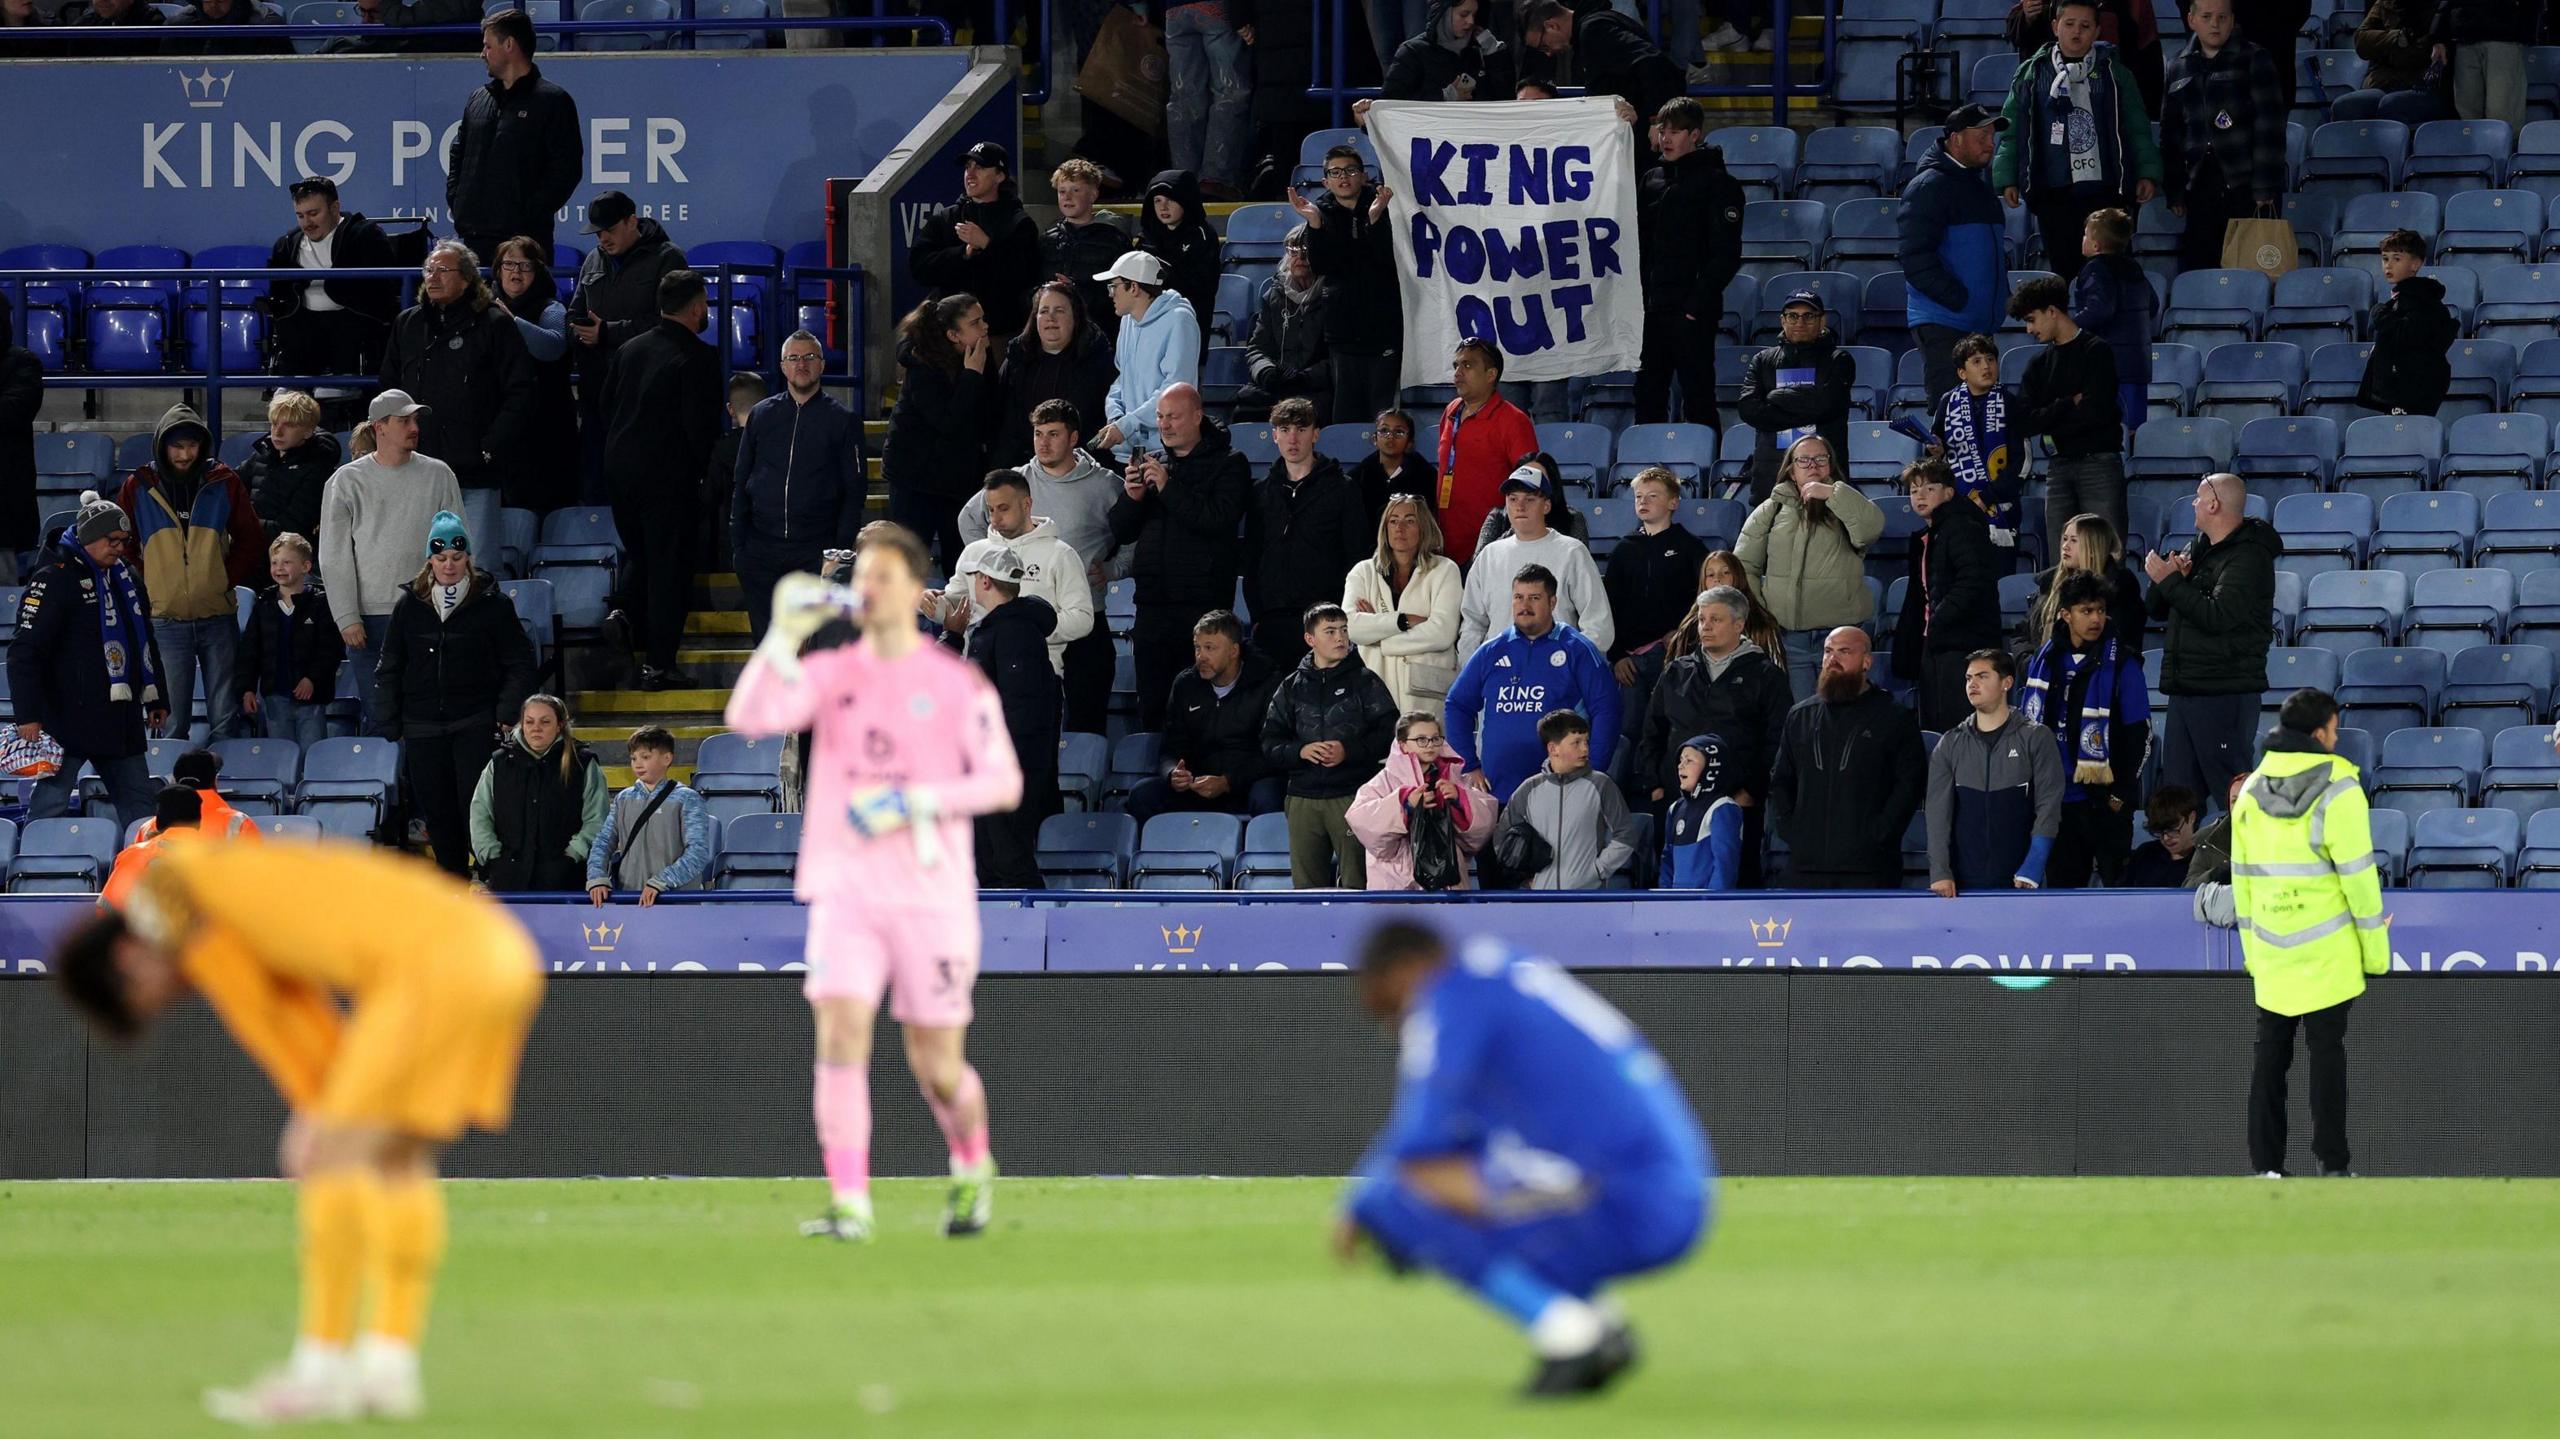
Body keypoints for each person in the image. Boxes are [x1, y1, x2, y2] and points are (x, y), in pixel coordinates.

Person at [49, 843, 543, 1424]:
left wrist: (319, 1120)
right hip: (497, 951)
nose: (167, 1004)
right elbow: (303, 1011)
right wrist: (331, 1107)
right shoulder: (217, 879)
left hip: (431, 968)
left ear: (129, 958)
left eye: (144, 1002)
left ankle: (321, 1371)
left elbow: (276, 1029)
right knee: (397, 1160)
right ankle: (389, 1368)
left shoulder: (180, 903)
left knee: (326, 1157)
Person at [723, 524, 1022, 1242]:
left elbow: (1003, 780)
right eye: (863, 578)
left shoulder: (956, 680)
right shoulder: (834, 671)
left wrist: (919, 801)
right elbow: (749, 716)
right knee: (841, 1033)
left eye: (884, 577)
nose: (869, 589)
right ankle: (851, 1201)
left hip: (930, 894)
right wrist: (780, 637)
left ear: (917, 592)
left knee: (937, 1066)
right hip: (844, 888)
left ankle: (972, 1161)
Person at [1335, 919, 1709, 1396]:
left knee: (1397, 1197)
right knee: (1446, 1180)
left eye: (1389, 1012)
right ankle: (1598, 1322)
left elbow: (1419, 1140)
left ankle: (1572, 1336)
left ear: (1404, 972)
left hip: (1628, 1202)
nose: (1393, 1029)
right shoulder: (1499, 973)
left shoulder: (1451, 997)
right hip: (1669, 1186)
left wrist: (1356, 1205)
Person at [2231, 687, 2391, 1179]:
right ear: (2321, 732)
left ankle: (2265, 1167)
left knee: (2270, 1058)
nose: (2337, 739)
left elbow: (2243, 879)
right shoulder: (2341, 789)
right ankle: (2333, 1163)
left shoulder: (2251, 791)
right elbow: (2359, 878)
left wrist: (2254, 953)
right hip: (2329, 950)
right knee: (2327, 1057)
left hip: (2273, 948)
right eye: (2336, 730)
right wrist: (2375, 953)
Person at [377, 511, 536, 875]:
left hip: (475, 721)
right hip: (421, 725)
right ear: (429, 559)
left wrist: (505, 712)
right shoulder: (409, 606)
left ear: (469, 557)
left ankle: (489, 877)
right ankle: (452, 886)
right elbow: (390, 665)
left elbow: (519, 661)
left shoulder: (494, 605)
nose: (449, 565)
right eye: (441, 557)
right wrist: (390, 720)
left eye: (457, 557)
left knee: (477, 807)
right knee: (437, 810)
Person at [9, 494, 169, 829]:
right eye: (112, 541)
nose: (119, 549)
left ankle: (143, 876)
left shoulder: (127, 578)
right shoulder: (53, 577)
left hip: (120, 718)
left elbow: (145, 638)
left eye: (124, 542)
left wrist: (158, 697)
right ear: (89, 537)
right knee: (48, 809)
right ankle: (37, 873)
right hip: (66, 718)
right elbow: (25, 651)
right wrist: (28, 715)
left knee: (140, 811)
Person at [598, 269, 722, 691]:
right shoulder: (699, 357)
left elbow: (605, 407)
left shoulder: (630, 349)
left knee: (643, 554)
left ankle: (621, 612)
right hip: (668, 478)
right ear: (696, 307)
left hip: (619, 473)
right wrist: (707, 476)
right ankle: (658, 664)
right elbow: (698, 427)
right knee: (669, 569)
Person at [115, 403, 265, 743]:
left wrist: (224, 580)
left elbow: (251, 537)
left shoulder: (224, 481)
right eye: (177, 446)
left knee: (225, 716)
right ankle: (170, 793)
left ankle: (225, 790)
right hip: (165, 621)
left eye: (192, 446)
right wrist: (148, 580)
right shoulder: (138, 486)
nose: (185, 454)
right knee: (171, 719)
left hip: (218, 616)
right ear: (162, 447)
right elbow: (120, 543)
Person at [318, 391, 465, 736]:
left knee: (428, 715)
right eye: (405, 421)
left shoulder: (439, 474)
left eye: (416, 420)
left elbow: (459, 545)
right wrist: (346, 615)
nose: (414, 428)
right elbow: (333, 553)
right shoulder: (346, 480)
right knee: (382, 718)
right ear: (379, 427)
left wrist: (453, 604)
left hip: (427, 611)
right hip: (369, 619)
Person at [969, 399, 1121, 733]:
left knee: (1087, 721)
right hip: (1022, 623)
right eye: (1038, 433)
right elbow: (968, 519)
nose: (1044, 442)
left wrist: (1115, 569)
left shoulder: (1105, 485)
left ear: (1074, 438)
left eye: (1053, 434)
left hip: (1084, 618)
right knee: (1028, 728)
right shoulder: (1015, 481)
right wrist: (992, 561)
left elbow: (1136, 534)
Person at [1108, 383, 1250, 731]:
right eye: (1159, 417)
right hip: (1153, 609)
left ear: (1198, 417)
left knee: (1200, 713)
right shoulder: (1154, 464)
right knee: (1154, 711)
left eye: (1173, 416)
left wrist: (1169, 488)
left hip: (1202, 609)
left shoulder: (1230, 463)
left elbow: (1217, 518)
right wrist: (1132, 497)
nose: (1165, 425)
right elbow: (1122, 531)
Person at [1991, 0, 2162, 285]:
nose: (2076, 32)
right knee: (2066, 271)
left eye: (2085, 26)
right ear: (2055, 27)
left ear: (2097, 31)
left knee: (2112, 272)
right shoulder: (2031, 73)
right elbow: (2013, 131)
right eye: (2069, 24)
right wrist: (2007, 178)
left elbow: (2137, 129)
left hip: (2106, 191)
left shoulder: (2115, 73)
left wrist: (2146, 172)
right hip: (2053, 193)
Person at [2145, 473, 2282, 811]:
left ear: (2213, 504)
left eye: (2197, 497)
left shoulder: (2249, 557)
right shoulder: (2200, 548)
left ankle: (2246, 864)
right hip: (2187, 689)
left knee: (2233, 797)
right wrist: (2168, 580)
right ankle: (2186, 866)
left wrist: (2173, 582)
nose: (2192, 503)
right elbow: (2157, 610)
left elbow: (2218, 617)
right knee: (2178, 803)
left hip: (2224, 692)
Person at [1640, 586, 1791, 879]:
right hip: (1676, 803)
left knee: (1734, 882)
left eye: (1716, 620)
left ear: (1739, 624)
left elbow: (1779, 740)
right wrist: (1655, 785)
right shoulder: (1676, 672)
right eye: (1702, 619)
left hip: (1737, 804)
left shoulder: (1765, 676)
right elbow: (1652, 731)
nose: (1705, 627)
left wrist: (1752, 791)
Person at [1767, 627, 1928, 889]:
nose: (1832, 660)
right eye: (1828, 651)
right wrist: (1792, 832)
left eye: (1844, 652)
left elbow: (1910, 785)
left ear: (1867, 661)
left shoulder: (1893, 717)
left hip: (1870, 867)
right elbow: (1780, 781)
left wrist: (1878, 835)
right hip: (1805, 866)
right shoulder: (1800, 715)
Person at [2020, 570, 2152, 888]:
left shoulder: (2122, 663)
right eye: (2086, 611)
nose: (2096, 619)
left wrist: (2119, 794)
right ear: (2065, 615)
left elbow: (2140, 735)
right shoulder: (2045, 660)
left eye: (2101, 610)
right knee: (2064, 893)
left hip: (2104, 800)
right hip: (2058, 800)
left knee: (2117, 889)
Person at [1445, 565, 1621, 803]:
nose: (1524, 606)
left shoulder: (1577, 649)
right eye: (1518, 597)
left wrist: (1593, 773)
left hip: (1562, 794)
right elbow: (1457, 704)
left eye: (1534, 598)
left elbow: (1607, 709)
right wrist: (1469, 764)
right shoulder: (1492, 651)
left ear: (1552, 602)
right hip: (1497, 793)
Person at [734, 329, 867, 642]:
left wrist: (840, 552)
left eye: (809, 357)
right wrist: (739, 546)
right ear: (782, 366)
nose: (801, 364)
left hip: (815, 550)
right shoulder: (761, 415)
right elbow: (741, 481)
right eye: (793, 358)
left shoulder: (843, 420)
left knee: (812, 647)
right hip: (760, 550)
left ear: (822, 364)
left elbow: (854, 491)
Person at [379, 240, 535, 498]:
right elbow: (389, 387)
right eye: (429, 270)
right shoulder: (407, 324)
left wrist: (490, 447)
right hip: (415, 467)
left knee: (475, 540)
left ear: (466, 279)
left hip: (476, 472)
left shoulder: (495, 324)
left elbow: (520, 391)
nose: (433, 277)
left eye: (443, 270)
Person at [1262, 603, 1399, 888]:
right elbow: (1269, 742)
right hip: (1303, 798)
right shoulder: (1291, 687)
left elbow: (1390, 733)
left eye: (1344, 630)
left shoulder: (1365, 682)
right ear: (1310, 639)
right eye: (1330, 631)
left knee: (1358, 885)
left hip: (1353, 795)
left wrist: (1347, 751)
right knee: (1306, 889)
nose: (1340, 638)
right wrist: (1299, 751)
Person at [950, 545, 1061, 891]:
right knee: (990, 859)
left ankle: (1026, 929)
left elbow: (1019, 708)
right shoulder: (1001, 628)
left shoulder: (1013, 631)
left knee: (1009, 858)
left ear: (984, 580)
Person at [1635, 98, 1745, 429]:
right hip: (1649, 311)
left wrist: (1694, 306)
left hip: (1690, 313)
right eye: (1661, 130)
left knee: (1698, 397)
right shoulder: (1651, 178)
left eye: (1675, 131)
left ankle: (1704, 472)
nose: (1665, 138)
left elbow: (1725, 255)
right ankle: (1645, 475)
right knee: (1647, 396)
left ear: (1695, 134)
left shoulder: (1719, 184)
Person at [568, 191, 687, 495]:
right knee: (596, 477)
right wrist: (579, 330)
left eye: (609, 229)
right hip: (598, 387)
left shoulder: (668, 257)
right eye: (598, 232)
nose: (602, 238)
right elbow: (576, 310)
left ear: (632, 221)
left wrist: (608, 332)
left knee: (643, 482)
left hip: (647, 388)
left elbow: (671, 322)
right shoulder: (594, 259)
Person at [2159, 0, 2288, 276]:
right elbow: (2171, 135)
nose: (2214, 24)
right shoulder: (2177, 67)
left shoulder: (2255, 57)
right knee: (2201, 269)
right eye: (2206, 16)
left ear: (2232, 20)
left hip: (2246, 185)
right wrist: (2174, 190)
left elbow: (2270, 127)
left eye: (2221, 17)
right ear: (2192, 19)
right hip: (2199, 185)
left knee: (2248, 272)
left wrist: (2265, 187)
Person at [931, 469, 1094, 682]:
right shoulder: (974, 552)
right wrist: (935, 606)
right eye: (990, 510)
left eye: (1003, 509)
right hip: (976, 677)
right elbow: (955, 605)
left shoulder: (1061, 554)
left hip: (1036, 675)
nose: (994, 519)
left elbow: (1082, 618)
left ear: (1026, 504)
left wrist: (1028, 630)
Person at [1125, 610, 1287, 825]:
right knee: (1142, 794)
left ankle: (1265, 857)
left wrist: (1228, 782)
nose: (1201, 656)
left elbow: (1272, 754)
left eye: (1210, 648)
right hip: (1198, 784)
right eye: (1197, 648)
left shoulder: (1268, 683)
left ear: (1233, 651)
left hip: (1246, 783)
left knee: (1268, 794)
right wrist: (1173, 772)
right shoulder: (1185, 684)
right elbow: (1169, 749)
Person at [1925, 648, 2063, 897]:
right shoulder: (1950, 743)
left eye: (1982, 676)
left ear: (2006, 683)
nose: (1972, 684)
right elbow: (1937, 816)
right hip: (1962, 883)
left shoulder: (2036, 737)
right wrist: (1940, 872)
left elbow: (2049, 806)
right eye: (1968, 678)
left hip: (2020, 879)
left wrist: (2033, 866)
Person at [1900, 104, 2014, 404]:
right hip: (1946, 322)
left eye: (1992, 136)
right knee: (1953, 417)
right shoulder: (1929, 186)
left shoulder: (1978, 184)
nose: (1991, 143)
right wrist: (1960, 300)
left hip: (1976, 322)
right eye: (1982, 136)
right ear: (1956, 138)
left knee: (1981, 421)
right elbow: (1915, 257)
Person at [447, 9, 581, 261]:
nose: (482, 54)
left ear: (509, 45)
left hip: (525, 243)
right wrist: (458, 202)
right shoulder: (478, 98)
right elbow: (458, 152)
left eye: (488, 46)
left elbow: (566, 171)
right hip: (473, 240)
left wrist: (524, 216)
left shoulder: (553, 101)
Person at [1245, 398, 1370, 665]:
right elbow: (1252, 556)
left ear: (1315, 435)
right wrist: (1258, 615)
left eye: (1301, 429)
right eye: (1285, 429)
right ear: (1274, 434)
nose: (1293, 438)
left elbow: (1357, 555)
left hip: (1323, 617)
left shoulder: (1343, 489)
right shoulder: (1260, 493)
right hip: (1272, 620)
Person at [1737, 435, 1884, 656]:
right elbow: (1744, 566)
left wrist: (1832, 493)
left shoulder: (1847, 502)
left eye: (1820, 459)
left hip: (1842, 634)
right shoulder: (1771, 509)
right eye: (1803, 460)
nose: (1812, 465)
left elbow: (1870, 530)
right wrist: (1762, 613)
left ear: (1831, 466)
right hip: (1788, 637)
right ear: (1791, 471)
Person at [882, 292, 993, 576]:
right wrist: (971, 377)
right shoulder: (923, 367)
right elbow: (949, 424)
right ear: (954, 335)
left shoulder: (979, 356)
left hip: (956, 480)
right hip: (916, 482)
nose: (985, 327)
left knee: (962, 565)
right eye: (976, 322)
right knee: (909, 566)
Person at [1294, 143, 1405, 425]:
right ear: (1325, 181)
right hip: (1342, 331)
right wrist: (1316, 226)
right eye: (1335, 172)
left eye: (1351, 170)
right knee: (1346, 415)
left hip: (1384, 329)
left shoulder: (1385, 205)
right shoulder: (1320, 212)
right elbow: (1324, 267)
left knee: (1383, 416)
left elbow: (1385, 262)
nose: (1343, 177)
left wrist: (1375, 220)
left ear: (1364, 175)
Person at [2011, 274, 2125, 545]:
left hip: (2098, 464)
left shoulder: (2096, 352)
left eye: (2031, 319)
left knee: (2105, 555)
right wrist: (2065, 404)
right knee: (2061, 562)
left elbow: (2095, 414)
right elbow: (2023, 422)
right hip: (2058, 467)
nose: (2029, 329)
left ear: (2052, 311)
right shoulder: (2038, 365)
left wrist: (2048, 420)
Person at [1891, 458, 2004, 732]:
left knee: (1957, 730)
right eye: (1914, 489)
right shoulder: (1933, 533)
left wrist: (1938, 620)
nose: (1920, 495)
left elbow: (1973, 581)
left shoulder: (1961, 526)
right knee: (1937, 729)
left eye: (1929, 488)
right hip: (1938, 643)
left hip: (1960, 646)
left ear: (1949, 492)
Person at [1458, 460, 1613, 656]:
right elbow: (1472, 623)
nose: (1520, 506)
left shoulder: (1572, 552)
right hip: (1500, 673)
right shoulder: (1489, 555)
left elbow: (1598, 624)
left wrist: (1570, 665)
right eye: (1513, 499)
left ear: (1546, 505)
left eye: (1530, 499)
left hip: (1556, 671)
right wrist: (1473, 670)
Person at [265, 177, 398, 400]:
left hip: (354, 322)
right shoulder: (286, 244)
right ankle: (293, 382)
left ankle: (343, 378)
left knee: (346, 318)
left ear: (335, 207)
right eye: (300, 215)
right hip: (305, 325)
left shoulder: (365, 235)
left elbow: (383, 290)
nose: (307, 222)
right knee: (289, 321)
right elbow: (279, 291)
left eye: (313, 213)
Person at [1341, 495, 1464, 721]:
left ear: (1423, 527)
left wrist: (1378, 636)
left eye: (1410, 520)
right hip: (1376, 691)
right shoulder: (1363, 572)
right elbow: (1350, 628)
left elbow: (1441, 633)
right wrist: (1402, 621)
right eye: (1393, 520)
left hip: (1426, 692)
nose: (1400, 528)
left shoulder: (1445, 570)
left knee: (1427, 751)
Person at [468, 694, 605, 893]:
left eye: (545, 722)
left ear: (559, 725)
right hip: (507, 879)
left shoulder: (582, 763)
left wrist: (572, 856)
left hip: (565, 881)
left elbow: (597, 819)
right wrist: (493, 857)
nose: (536, 728)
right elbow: (480, 813)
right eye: (529, 721)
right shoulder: (499, 762)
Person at [909, 141, 1045, 341]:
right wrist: (962, 253)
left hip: (999, 333)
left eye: (979, 167)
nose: (970, 174)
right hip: (950, 334)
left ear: (1000, 175)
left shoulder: (1019, 223)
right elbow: (919, 268)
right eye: (967, 167)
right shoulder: (946, 218)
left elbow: (1024, 277)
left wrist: (988, 245)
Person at [1490, 710, 1639, 890]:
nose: (1585, 749)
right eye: (1576, 743)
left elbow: (1626, 834)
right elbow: (1502, 837)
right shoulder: (1529, 789)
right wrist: (1524, 877)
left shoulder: (1601, 784)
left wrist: (1598, 871)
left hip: (1588, 899)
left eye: (1586, 742)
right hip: (1539, 900)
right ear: (1553, 749)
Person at [1347, 710, 1497, 890]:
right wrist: (1404, 804)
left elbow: (1483, 826)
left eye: (1435, 739)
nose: (1430, 745)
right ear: (1403, 745)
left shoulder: (1456, 778)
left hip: (1449, 881)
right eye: (1421, 739)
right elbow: (1361, 821)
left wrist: (1460, 799)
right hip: (1397, 883)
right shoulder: (1384, 781)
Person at [1736, 289, 1856, 502]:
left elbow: (1827, 405)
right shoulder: (1762, 360)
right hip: (1770, 471)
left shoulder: (1839, 360)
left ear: (1822, 321)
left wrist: (1775, 398)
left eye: (1808, 316)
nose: (1799, 322)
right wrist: (1809, 408)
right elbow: (1749, 409)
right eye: (1792, 316)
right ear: (1782, 321)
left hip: (1824, 472)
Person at [1430, 340, 1540, 568]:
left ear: (1491, 375)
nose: (1458, 373)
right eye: (1456, 365)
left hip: (1492, 547)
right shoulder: (1451, 411)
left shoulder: (1514, 420)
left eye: (1467, 366)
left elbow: (1530, 484)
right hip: (1446, 543)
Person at [1516, 0, 1686, 146]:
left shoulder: (1594, 31)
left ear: (1552, 26)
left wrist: (1658, 121)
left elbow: (1653, 63)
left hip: (1646, 138)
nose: (1548, 53)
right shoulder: (1593, 28)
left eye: (1543, 45)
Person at [491, 236, 578, 514]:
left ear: (537, 271)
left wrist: (511, 321)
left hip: (546, 426)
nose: (516, 272)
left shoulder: (551, 308)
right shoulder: (483, 308)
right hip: (500, 424)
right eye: (509, 264)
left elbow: (552, 346)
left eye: (525, 266)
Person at [235, 532, 343, 749]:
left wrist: (311, 679)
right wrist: (247, 689)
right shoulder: (263, 605)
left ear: (305, 566)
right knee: (280, 752)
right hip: (275, 697)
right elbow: (250, 652)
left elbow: (330, 649)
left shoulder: (320, 604)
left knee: (312, 753)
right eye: (274, 563)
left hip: (311, 698)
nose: (279, 568)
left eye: (286, 562)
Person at [1092, 251, 1202, 462]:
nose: (1110, 294)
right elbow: (1122, 378)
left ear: (1133, 287)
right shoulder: (1127, 320)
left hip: (1168, 454)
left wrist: (1127, 424)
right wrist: (1116, 415)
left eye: (1113, 286)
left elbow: (1176, 390)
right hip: (1128, 451)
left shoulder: (1179, 321)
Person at [993, 280, 1116, 468]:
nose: (1051, 318)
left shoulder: (1098, 362)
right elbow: (1003, 422)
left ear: (1075, 318)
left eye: (1059, 311)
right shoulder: (1017, 360)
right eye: (1043, 311)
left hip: (1081, 468)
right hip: (1023, 468)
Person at [586, 725, 713, 905]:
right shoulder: (623, 798)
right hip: (629, 899)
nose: (638, 763)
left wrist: (662, 881)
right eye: (633, 758)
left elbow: (698, 852)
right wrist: (596, 877)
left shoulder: (687, 799)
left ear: (667, 758)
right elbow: (603, 841)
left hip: (675, 902)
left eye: (645, 757)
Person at [1601, 467, 1708, 680]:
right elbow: (1610, 603)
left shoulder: (1691, 547)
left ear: (1673, 503)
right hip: (1629, 660)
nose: (1643, 502)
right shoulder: (1624, 549)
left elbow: (1703, 597)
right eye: (1638, 496)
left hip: (1676, 652)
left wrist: (1683, 631)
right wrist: (1617, 655)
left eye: (1652, 496)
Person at [1920, 334, 2025, 546]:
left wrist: (1986, 497)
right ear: (1962, 373)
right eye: (1976, 362)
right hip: (1959, 508)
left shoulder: (2009, 402)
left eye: (1990, 359)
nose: (1986, 366)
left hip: (2002, 508)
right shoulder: (1948, 402)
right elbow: (1936, 450)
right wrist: (1935, 452)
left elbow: (2021, 461)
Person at [2355, 229, 2457, 418]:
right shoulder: (2403, 298)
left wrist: (2379, 312)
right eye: (2385, 259)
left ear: (2415, 264)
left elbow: (2406, 335)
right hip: (2399, 386)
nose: (2389, 265)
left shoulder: (2420, 299)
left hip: (2412, 387)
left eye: (2397, 259)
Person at [2068, 207, 2154, 430]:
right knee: (2134, 430)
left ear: (2095, 245)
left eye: (2086, 234)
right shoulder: (2134, 268)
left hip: (2110, 366)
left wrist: (2068, 327)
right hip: (2138, 365)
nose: (2083, 238)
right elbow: (2152, 305)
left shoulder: (2096, 269)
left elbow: (2100, 309)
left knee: (2111, 432)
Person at [1237, 228, 1333, 422]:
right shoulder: (1274, 296)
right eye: (1294, 251)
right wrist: (1266, 372)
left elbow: (1338, 357)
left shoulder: (1332, 296)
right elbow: (1257, 348)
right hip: (1278, 385)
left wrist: (1304, 378)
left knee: (1307, 415)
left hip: (1315, 387)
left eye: (1307, 251)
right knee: (1243, 412)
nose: (1300, 257)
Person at [1163, 4, 1256, 199]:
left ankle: (1182, 180)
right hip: (1217, 9)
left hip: (1173, 10)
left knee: (1183, 98)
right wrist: (1240, 15)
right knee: (1229, 93)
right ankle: (1216, 178)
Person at [2007, 0, 2166, 112]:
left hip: (2112, 97)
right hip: (2050, 95)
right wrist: (2027, 17)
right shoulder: (2030, 74)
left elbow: (2148, 50)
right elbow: (2016, 30)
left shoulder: (2134, 3)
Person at [2023, 511, 2146, 654]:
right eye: (2065, 539)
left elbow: (2121, 641)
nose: (2065, 546)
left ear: (2093, 548)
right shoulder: (2049, 583)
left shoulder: (2120, 587)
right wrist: (2029, 663)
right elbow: (2022, 634)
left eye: (2073, 541)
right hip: (2042, 672)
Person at [240, 391, 344, 552]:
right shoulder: (264, 453)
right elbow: (230, 481)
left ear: (308, 431)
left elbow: (292, 528)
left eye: (288, 425)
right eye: (274, 423)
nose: (277, 432)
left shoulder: (318, 468)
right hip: (252, 546)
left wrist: (239, 525)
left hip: (290, 555)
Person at [1042, 157, 1132, 335]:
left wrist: (1076, 291)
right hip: (1055, 334)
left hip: (1098, 333)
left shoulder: (1114, 240)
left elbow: (1124, 293)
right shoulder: (1047, 238)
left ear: (1093, 195)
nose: (1067, 197)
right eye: (1062, 191)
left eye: (1075, 190)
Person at [1138, 170, 1223, 341]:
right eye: (1157, 201)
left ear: (1186, 200)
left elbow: (1202, 285)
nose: (1163, 207)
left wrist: (1163, 271)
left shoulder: (1203, 235)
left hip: (1189, 322)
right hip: (1148, 324)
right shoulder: (1146, 237)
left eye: (1171, 199)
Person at [1380, 0, 1516, 102]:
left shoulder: (1480, 50)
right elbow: (1391, 101)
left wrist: (1494, 54)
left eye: (1474, 14)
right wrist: (1444, 96)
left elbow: (1506, 99)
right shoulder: (1412, 52)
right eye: (1464, 14)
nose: (1470, 21)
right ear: (1444, 14)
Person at [1658, 734, 1746, 890]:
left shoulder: (1722, 808)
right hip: (1676, 907)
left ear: (1711, 767)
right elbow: (1667, 862)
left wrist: (1710, 907)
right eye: (1681, 760)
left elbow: (1724, 867)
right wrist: (1665, 901)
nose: (1680, 766)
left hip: (1706, 909)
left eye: (1689, 761)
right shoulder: (1675, 808)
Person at [2430, 0, 2533, 130]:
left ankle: (2505, 148)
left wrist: (2524, 31)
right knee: (2467, 113)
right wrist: (2438, 38)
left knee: (2501, 113)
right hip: (2465, 37)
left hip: (2504, 37)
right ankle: (2475, 149)